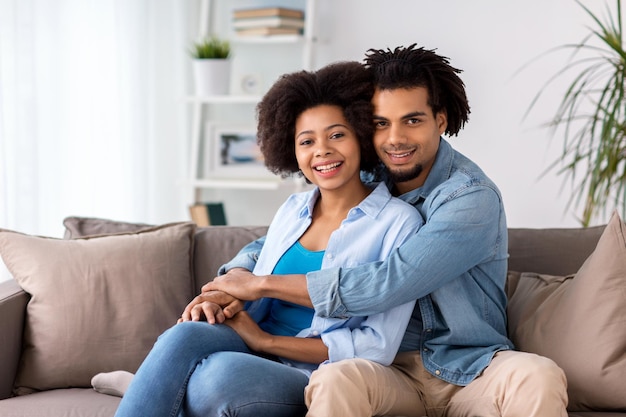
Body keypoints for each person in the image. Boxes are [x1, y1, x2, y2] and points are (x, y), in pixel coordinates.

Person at [196, 44, 569, 417]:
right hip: (387, 370)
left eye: (412, 120)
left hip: (469, 371)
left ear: (440, 120)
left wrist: (260, 286)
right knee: (336, 379)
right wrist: (234, 276)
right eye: (380, 123)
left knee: (538, 374)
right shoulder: (370, 178)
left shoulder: (470, 197)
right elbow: (274, 240)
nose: (395, 139)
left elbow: (390, 281)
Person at [113, 61, 423, 417]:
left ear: (361, 136)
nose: (321, 151)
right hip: (248, 343)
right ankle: (153, 385)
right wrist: (219, 300)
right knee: (183, 335)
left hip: (310, 373)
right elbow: (254, 282)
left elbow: (376, 346)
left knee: (214, 380)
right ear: (292, 152)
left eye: (337, 135)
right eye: (307, 141)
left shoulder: (398, 224)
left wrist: (265, 341)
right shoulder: (292, 209)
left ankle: (144, 385)